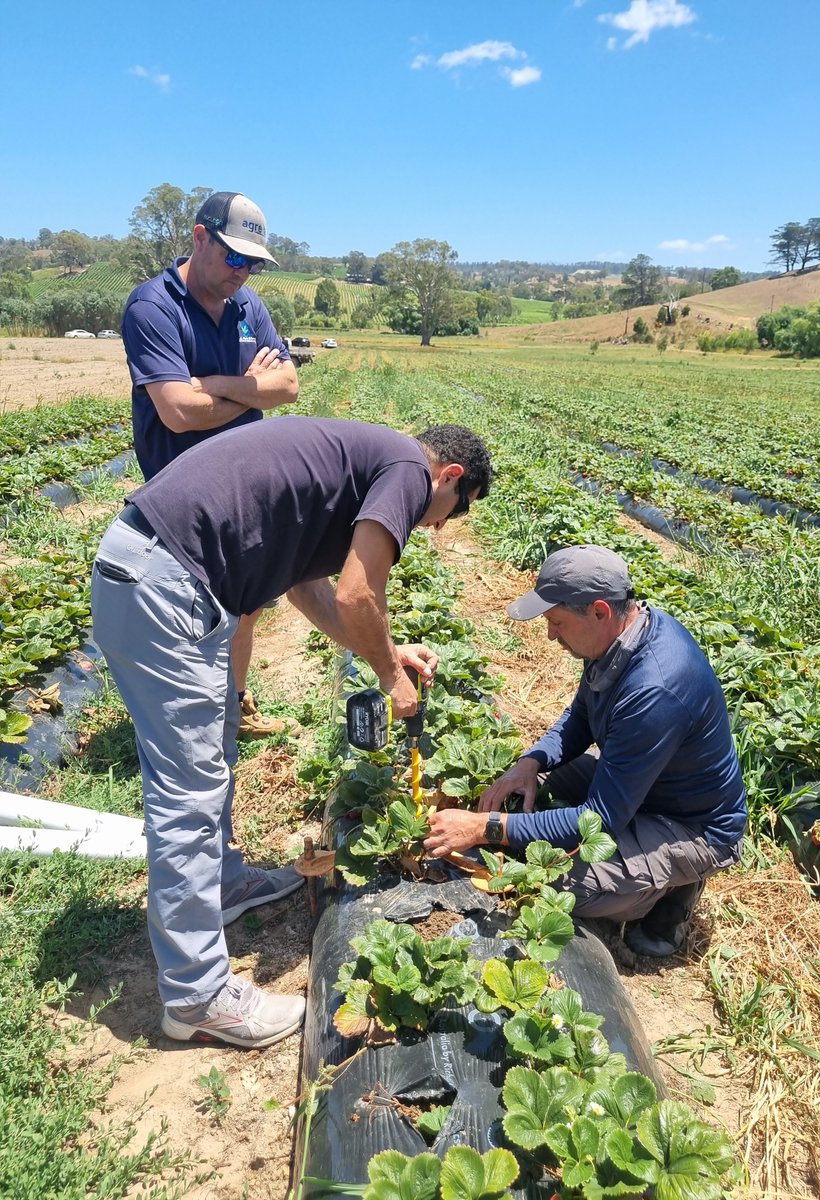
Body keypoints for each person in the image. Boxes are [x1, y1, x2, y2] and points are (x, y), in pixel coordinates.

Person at [91, 417, 492, 1047]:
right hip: (167, 584)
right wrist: (390, 674)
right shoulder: (409, 471)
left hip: (157, 570)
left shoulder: (358, 467)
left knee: (209, 754)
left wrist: (384, 653)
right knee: (188, 794)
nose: (435, 526)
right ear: (450, 477)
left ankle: (221, 884)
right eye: (449, 512)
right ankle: (197, 997)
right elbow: (361, 596)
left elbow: (313, 591)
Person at [424, 544, 746, 957]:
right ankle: (641, 862)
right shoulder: (621, 637)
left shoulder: (655, 689)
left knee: (557, 880)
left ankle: (668, 888)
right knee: (528, 787)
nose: (550, 634)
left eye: (556, 622)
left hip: (692, 824)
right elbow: (580, 717)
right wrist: (530, 762)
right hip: (642, 786)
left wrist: (485, 827)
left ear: (599, 611)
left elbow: (600, 819)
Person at [121, 190, 300, 738]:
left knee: (245, 605)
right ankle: (181, 719)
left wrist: (218, 386)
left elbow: (288, 385)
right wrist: (252, 388)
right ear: (200, 237)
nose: (243, 271)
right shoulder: (153, 306)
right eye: (233, 256)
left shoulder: (250, 308)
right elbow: (177, 412)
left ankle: (234, 704)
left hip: (245, 485)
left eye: (253, 262)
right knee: (190, 609)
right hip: (183, 493)